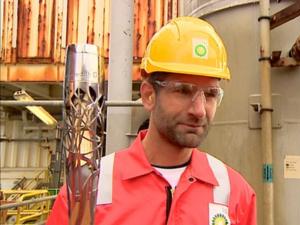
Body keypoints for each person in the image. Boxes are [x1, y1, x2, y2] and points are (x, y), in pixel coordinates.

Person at [46, 16, 256, 225]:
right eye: (183, 91)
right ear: (148, 95)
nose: (200, 110)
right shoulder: (89, 190)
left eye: (210, 95)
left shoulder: (235, 193)